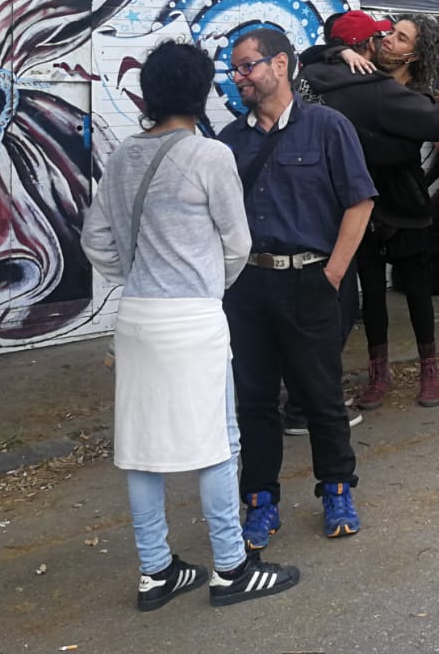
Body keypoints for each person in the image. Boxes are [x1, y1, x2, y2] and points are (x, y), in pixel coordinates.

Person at [81, 41, 300, 610]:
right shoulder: (209, 156)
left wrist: (135, 272)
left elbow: (95, 242)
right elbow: (238, 244)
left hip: (138, 317)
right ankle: (230, 567)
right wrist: (206, 284)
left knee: (140, 447)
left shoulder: (123, 155)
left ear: (148, 94)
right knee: (219, 443)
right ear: (200, 92)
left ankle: (156, 572)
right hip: (194, 318)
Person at [217, 28, 375, 548]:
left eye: (246, 66)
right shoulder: (228, 143)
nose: (238, 76)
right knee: (256, 401)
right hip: (248, 287)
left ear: (280, 65)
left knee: (321, 395)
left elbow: (360, 202)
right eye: (234, 68)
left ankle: (335, 490)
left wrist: (331, 275)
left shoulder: (328, 127)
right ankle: (260, 502)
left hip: (310, 279)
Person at [301, 15, 439, 410]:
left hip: (403, 201)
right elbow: (312, 57)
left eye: (400, 37)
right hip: (362, 204)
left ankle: (429, 370)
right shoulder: (362, 76)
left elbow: (437, 126)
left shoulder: (420, 94)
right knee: (372, 291)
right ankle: (378, 373)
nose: (388, 40)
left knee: (416, 291)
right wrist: (340, 50)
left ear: (416, 53)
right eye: (388, 34)